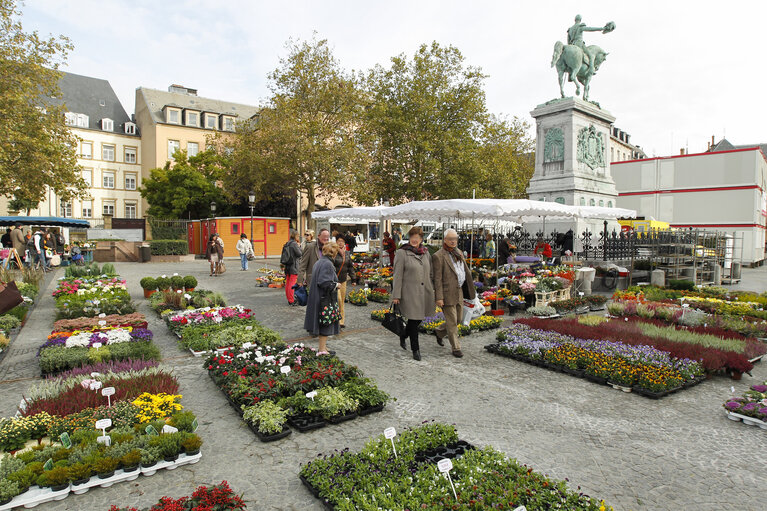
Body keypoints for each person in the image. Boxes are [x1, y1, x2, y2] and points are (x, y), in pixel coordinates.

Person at [392, 227, 435, 361]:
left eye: (418, 237)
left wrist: (432, 288)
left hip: (425, 292)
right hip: (409, 293)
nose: (415, 240)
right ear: (409, 238)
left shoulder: (426, 253)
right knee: (413, 319)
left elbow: (431, 272)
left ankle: (404, 335)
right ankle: (415, 350)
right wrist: (396, 295)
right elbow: (397, 276)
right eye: (412, 237)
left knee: (419, 319)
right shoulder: (402, 253)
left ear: (422, 239)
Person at [432, 228, 476, 358]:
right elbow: (437, 279)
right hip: (446, 293)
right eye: (450, 239)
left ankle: (439, 332)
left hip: (459, 291)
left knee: (458, 319)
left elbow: (463, 270)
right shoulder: (438, 256)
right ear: (445, 240)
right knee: (452, 322)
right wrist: (439, 297)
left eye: (455, 239)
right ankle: (456, 348)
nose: (453, 241)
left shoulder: (459, 253)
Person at [304, 241, 341, 355]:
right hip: (324, 299)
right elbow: (324, 282)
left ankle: (323, 347)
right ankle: (322, 349)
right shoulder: (327, 264)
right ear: (334, 253)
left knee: (323, 323)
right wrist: (336, 285)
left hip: (317, 297)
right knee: (325, 323)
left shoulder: (319, 262)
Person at [333, 241, 356, 328]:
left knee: (342, 300)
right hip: (335, 281)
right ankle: (335, 318)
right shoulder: (334, 252)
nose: (340, 243)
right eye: (338, 241)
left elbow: (350, 267)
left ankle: (341, 321)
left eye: (342, 241)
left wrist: (353, 278)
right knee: (338, 299)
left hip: (343, 280)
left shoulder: (346, 254)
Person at [282, 229, 303, 305]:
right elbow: (300, 254)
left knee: (288, 283)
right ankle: (291, 300)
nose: (298, 237)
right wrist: (299, 246)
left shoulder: (287, 243)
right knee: (292, 284)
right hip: (293, 266)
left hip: (287, 265)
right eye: (298, 236)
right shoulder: (294, 244)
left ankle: (289, 298)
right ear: (295, 236)